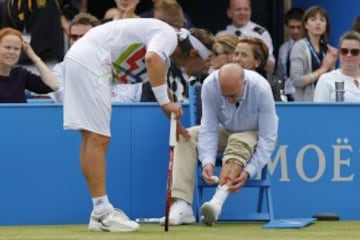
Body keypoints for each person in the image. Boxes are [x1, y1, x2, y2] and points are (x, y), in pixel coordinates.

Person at [62, 16, 214, 232]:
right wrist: (166, 104)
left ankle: (100, 212)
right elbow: (151, 59)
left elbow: (160, 87)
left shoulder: (166, 52)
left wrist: (175, 123)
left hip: (86, 61)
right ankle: (103, 213)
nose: (205, 68)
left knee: (92, 137)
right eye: (206, 62)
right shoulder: (168, 36)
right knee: (98, 138)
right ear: (194, 53)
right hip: (91, 62)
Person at [160, 63, 278, 226]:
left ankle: (217, 201)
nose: (229, 100)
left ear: (244, 84)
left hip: (253, 134)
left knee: (239, 140)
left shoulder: (262, 89)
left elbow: (268, 137)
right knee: (186, 136)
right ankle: (182, 204)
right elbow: (209, 128)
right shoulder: (210, 85)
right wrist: (207, 161)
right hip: (225, 130)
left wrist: (249, 171)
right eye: (225, 96)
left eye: (233, 95)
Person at [289, 6, 338, 101]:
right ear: (306, 25)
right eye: (313, 19)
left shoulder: (329, 50)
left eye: (322, 20)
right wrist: (323, 69)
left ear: (326, 25)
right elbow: (296, 80)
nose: (318, 23)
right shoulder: (299, 47)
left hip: (327, 102)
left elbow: (333, 80)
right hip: (306, 104)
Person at [51, 12, 100, 103]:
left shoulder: (112, 65)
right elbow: (64, 99)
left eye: (84, 37)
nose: (78, 41)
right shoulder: (59, 70)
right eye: (74, 37)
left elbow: (122, 98)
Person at [216, 0, 275, 75]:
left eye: (246, 9)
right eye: (238, 9)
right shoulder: (221, 36)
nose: (242, 13)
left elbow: (271, 66)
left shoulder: (261, 34)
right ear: (229, 13)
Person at [0, 27, 59, 103]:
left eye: (16, 49)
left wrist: (33, 57)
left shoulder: (20, 74)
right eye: (7, 47)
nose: (12, 52)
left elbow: (53, 86)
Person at [314, 31, 360, 102]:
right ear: (339, 53)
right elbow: (319, 111)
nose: (349, 55)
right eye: (344, 51)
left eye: (354, 52)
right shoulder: (326, 79)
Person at [233, 36, 282, 101]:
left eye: (244, 55)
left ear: (257, 62)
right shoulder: (224, 79)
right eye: (236, 54)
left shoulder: (270, 84)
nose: (237, 59)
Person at [275, 7, 304, 102]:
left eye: (299, 27)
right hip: (287, 95)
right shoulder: (283, 48)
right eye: (292, 27)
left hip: (304, 95)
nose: (295, 31)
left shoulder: (309, 47)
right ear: (286, 27)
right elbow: (280, 75)